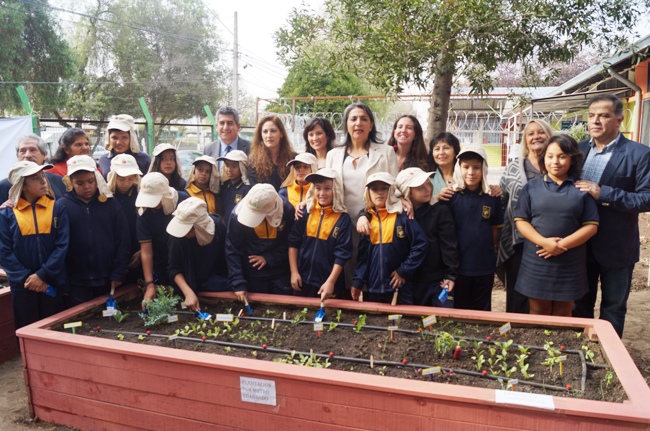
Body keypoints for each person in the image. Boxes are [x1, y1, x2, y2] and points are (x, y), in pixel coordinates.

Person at [573, 94, 650, 337]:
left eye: (604, 116)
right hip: (580, 244)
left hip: (617, 246)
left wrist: (603, 192)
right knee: (578, 306)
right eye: (592, 115)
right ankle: (581, 356)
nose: (595, 121)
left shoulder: (639, 154)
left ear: (619, 119)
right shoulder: (577, 150)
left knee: (613, 308)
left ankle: (609, 362)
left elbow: (646, 198)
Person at [514, 135, 599, 316]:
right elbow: (521, 221)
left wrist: (561, 245)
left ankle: (558, 347)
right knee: (537, 310)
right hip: (537, 259)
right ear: (543, 158)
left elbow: (591, 226)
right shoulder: (531, 187)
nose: (555, 161)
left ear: (572, 159)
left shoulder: (581, 190)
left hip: (570, 261)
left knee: (564, 312)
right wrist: (545, 243)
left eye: (562, 156)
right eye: (550, 156)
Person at [326, 103, 399, 291]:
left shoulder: (386, 152)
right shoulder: (334, 155)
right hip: (343, 223)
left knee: (373, 266)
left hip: (374, 222)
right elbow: (326, 188)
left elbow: (395, 187)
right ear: (346, 124)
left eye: (364, 119)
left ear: (371, 125)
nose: (358, 123)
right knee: (347, 265)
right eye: (353, 119)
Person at [0, 161, 68, 329]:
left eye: (43, 176)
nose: (43, 181)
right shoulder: (7, 214)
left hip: (52, 282)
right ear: (22, 185)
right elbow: (4, 251)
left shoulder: (57, 208)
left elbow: (62, 245)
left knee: (55, 329)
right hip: (23, 287)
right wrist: (27, 278)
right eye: (36, 179)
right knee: (26, 331)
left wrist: (43, 274)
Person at [497, 119, 554, 314]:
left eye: (541, 132)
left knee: (548, 293)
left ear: (550, 136)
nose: (536, 137)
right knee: (518, 292)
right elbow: (502, 201)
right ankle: (517, 334)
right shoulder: (514, 168)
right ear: (525, 141)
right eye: (531, 134)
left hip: (552, 240)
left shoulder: (559, 164)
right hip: (518, 242)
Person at [59, 155, 130, 307]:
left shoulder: (111, 204)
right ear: (71, 182)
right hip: (76, 282)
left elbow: (123, 240)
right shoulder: (62, 206)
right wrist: (63, 279)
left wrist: (118, 271)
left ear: (97, 178)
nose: (87, 187)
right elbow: (59, 245)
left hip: (108, 278)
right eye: (80, 183)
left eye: (91, 181)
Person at [442, 147, 503, 311]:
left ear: (483, 169)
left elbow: (494, 231)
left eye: (476, 167)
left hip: (484, 266)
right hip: (458, 267)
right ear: (458, 168)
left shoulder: (492, 197)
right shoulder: (450, 197)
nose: (471, 172)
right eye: (466, 167)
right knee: (460, 310)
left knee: (482, 310)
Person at [352, 172, 427, 305]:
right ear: (368, 192)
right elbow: (363, 256)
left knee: (401, 323)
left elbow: (420, 244)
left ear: (391, 191)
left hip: (399, 287)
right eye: (374, 189)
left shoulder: (402, 215)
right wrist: (358, 281)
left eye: (384, 188)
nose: (379, 193)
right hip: (373, 287)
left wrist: (403, 270)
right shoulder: (366, 220)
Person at [395, 168, 458, 307]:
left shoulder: (440, 211)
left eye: (427, 183)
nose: (427, 189)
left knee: (443, 322)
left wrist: (450, 275)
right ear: (407, 191)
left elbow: (449, 245)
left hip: (438, 281)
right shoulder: (398, 214)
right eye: (419, 187)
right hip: (409, 281)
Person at [288, 168, 352, 299]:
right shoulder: (305, 212)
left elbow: (342, 253)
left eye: (327, 188)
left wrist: (331, 281)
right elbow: (293, 243)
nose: (322, 193)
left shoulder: (343, 218)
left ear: (336, 190)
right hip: (302, 279)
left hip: (328, 283)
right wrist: (294, 272)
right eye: (318, 188)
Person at [225, 184, 295, 303]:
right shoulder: (237, 215)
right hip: (252, 271)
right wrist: (238, 281)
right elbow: (232, 249)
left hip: (280, 271)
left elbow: (290, 242)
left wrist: (269, 258)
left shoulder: (287, 210)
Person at [167, 197, 228, 311]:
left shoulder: (218, 227)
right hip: (188, 282)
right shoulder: (177, 236)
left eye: (188, 229)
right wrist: (188, 293)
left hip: (213, 279)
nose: (184, 233)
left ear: (199, 226)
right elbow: (174, 268)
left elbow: (226, 258)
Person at [135, 172, 183, 306]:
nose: (151, 205)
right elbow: (146, 251)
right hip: (161, 262)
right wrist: (149, 284)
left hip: (183, 259)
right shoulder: (143, 213)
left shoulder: (182, 200)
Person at [0, 135, 66, 208]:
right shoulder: (3, 186)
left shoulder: (59, 182)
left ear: (44, 155)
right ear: (17, 156)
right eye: (23, 151)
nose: (27, 155)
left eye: (33, 150)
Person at [107, 154, 143, 282]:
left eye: (130, 178)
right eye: (121, 179)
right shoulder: (106, 199)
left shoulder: (141, 196)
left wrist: (142, 251)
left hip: (138, 253)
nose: (126, 184)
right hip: (113, 257)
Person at [249, 115, 297, 190]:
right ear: (261, 135)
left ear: (281, 134)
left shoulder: (294, 159)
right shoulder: (254, 162)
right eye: (265, 131)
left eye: (273, 131)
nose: (269, 135)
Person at [98, 114, 151, 179]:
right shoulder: (103, 160)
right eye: (114, 138)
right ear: (108, 138)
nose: (119, 142)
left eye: (124, 137)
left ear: (131, 137)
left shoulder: (144, 159)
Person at [216, 150, 252, 226]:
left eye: (234, 166)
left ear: (242, 167)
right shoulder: (223, 186)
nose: (229, 169)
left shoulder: (247, 189)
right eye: (227, 165)